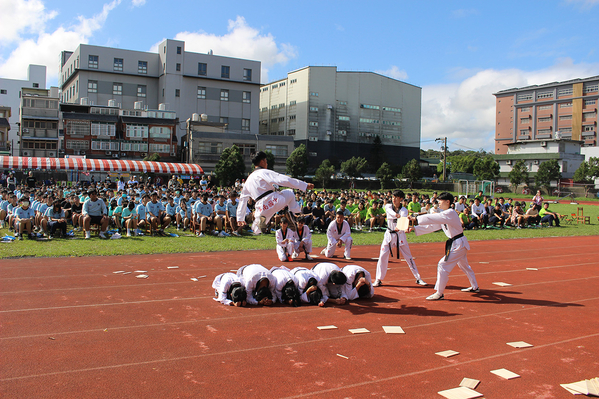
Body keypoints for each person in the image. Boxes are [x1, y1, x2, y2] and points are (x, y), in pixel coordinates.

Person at [409, 192, 479, 301]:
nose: (439, 203)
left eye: (441, 201)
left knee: (443, 265)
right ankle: (475, 287)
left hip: (458, 244)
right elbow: (433, 226)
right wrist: (415, 228)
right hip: (457, 243)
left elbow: (432, 218)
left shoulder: (450, 213)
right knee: (464, 266)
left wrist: (415, 218)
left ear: (448, 202)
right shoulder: (445, 214)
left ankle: (439, 293)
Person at [236, 151, 314, 235]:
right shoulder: (264, 172)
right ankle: (296, 214)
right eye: (266, 161)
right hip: (274, 200)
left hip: (261, 207)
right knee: (290, 193)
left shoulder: (248, 180)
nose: (267, 163)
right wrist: (304, 185)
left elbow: (242, 199)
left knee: (256, 229)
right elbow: (284, 180)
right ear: (262, 161)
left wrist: (240, 218)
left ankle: (258, 221)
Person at [374, 190, 426, 287]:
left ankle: (418, 278)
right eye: (393, 197)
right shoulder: (388, 206)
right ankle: (378, 279)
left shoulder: (404, 210)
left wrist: (401, 227)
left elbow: (402, 221)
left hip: (400, 235)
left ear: (401, 199)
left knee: (409, 257)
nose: (393, 199)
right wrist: (395, 215)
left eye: (396, 197)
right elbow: (388, 211)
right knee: (382, 257)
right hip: (389, 234)